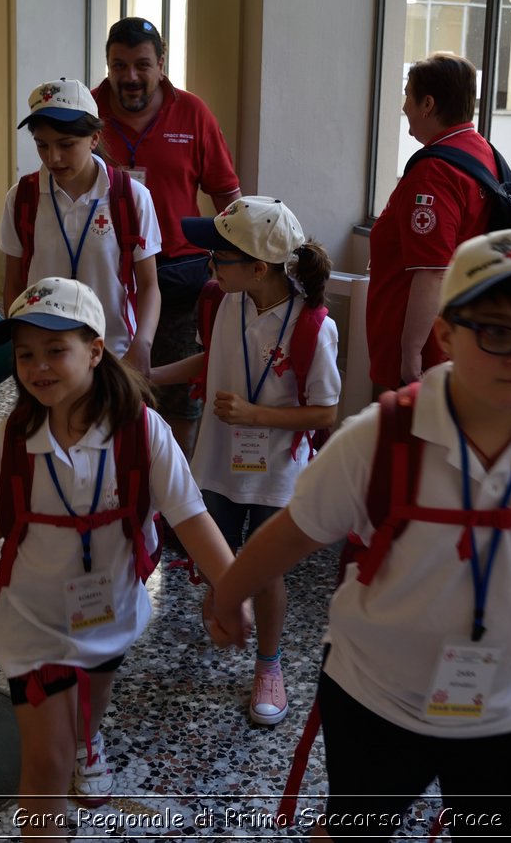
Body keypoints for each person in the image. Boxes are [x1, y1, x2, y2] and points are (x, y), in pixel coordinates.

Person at [212, 230, 511, 841]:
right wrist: (229, 593)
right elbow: (293, 533)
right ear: (447, 334)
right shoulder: (381, 437)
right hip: (378, 697)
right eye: (496, 331)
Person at [0, 278, 246, 834]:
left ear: (95, 351)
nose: (37, 366)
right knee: (45, 766)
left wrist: (230, 590)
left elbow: (190, 517)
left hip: (110, 610)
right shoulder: (14, 435)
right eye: (25, 354)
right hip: (35, 620)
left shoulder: (143, 433)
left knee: (90, 698)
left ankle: (88, 737)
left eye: (55, 350)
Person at [154, 197, 340, 728]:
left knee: (265, 574)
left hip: (277, 473)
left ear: (259, 267)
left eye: (219, 255)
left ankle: (269, 665)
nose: (209, 264)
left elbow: (325, 411)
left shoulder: (311, 326)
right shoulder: (220, 300)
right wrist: (149, 375)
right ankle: (229, 618)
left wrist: (255, 413)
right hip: (216, 463)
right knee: (217, 560)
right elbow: (212, 360)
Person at [92, 17, 241, 452]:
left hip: (179, 274)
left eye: (142, 65)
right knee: (107, 391)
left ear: (161, 63)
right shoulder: (89, 114)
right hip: (108, 275)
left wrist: (236, 265)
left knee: (177, 399)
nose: (131, 77)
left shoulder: (193, 113)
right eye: (119, 66)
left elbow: (227, 196)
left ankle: (172, 503)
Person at [0, 77, 162, 374]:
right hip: (44, 357)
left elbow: (149, 284)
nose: (54, 157)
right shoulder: (22, 198)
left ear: (94, 139)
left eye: (66, 144)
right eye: (42, 145)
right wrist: (20, 344)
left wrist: (143, 344)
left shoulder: (131, 198)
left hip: (114, 353)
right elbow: (13, 282)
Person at [367, 52, 499, 392]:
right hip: (454, 341)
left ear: (427, 104)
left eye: (408, 96)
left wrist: (410, 356)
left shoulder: (434, 173)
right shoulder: (480, 150)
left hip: (423, 358)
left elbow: (432, 271)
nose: (403, 106)